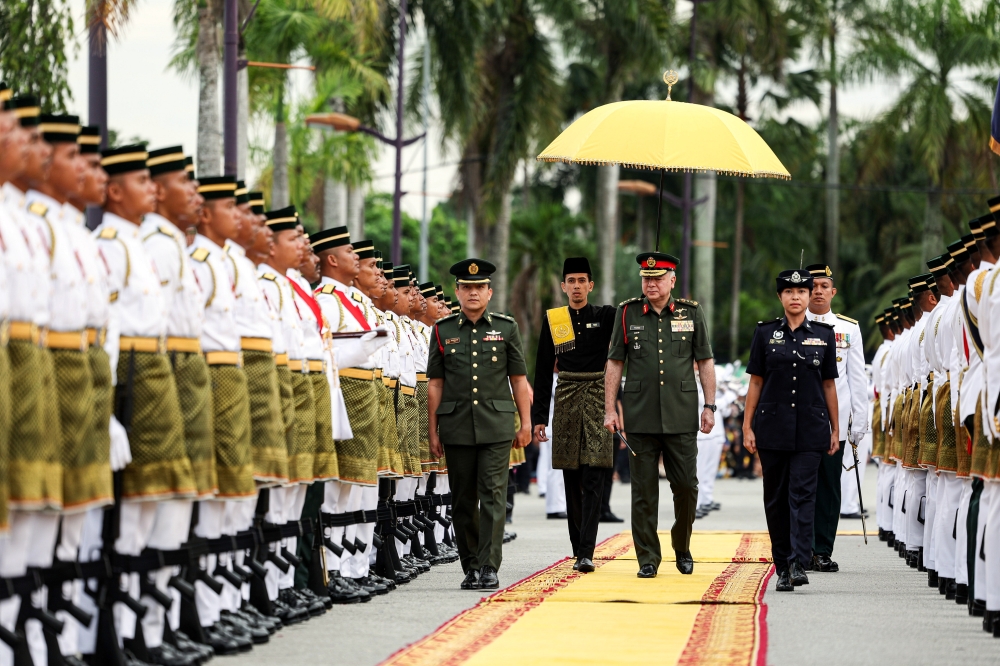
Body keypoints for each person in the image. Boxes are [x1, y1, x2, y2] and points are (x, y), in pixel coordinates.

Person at [604, 252, 716, 579]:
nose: (650, 283)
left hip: (681, 417)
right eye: (646, 278)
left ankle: (681, 545)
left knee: (686, 487)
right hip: (640, 417)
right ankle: (648, 558)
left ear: (672, 280)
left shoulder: (691, 313)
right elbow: (614, 362)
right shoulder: (627, 313)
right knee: (643, 492)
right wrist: (610, 408)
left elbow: (705, 360)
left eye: (657, 278)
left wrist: (709, 406)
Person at [427, 259, 532, 590]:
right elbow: (435, 384)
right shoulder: (443, 330)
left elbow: (518, 378)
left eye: (479, 287)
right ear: (457, 292)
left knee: (493, 495)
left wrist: (525, 422)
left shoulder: (506, 328)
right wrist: (433, 430)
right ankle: (470, 565)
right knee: (462, 499)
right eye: (466, 287)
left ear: (489, 292)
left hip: (497, 425)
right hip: (456, 426)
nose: (473, 293)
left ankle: (488, 565)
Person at [743, 269, 840, 592]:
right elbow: (756, 382)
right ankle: (782, 564)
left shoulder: (824, 335)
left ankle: (800, 560)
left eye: (801, 291)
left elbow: (829, 385)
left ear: (809, 295)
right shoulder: (765, 334)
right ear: (780, 297)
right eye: (789, 292)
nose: (796, 297)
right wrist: (747, 426)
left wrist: (835, 428)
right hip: (772, 428)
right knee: (776, 499)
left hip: (811, 429)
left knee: (803, 495)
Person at [531, 257, 616, 573]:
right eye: (572, 281)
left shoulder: (605, 316)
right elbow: (542, 368)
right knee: (571, 474)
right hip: (565, 399)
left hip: (597, 397)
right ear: (563, 286)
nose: (577, 286)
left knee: (595, 472)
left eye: (583, 280)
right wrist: (539, 415)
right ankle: (577, 545)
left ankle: (587, 550)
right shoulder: (554, 320)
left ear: (590, 285)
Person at [802, 263, 867, 573]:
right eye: (812, 286)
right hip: (798, 420)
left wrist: (860, 421)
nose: (818, 291)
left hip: (833, 423)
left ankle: (822, 549)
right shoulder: (792, 323)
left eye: (823, 286)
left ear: (832, 292)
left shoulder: (848, 329)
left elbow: (857, 379)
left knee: (828, 486)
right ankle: (802, 549)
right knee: (800, 485)